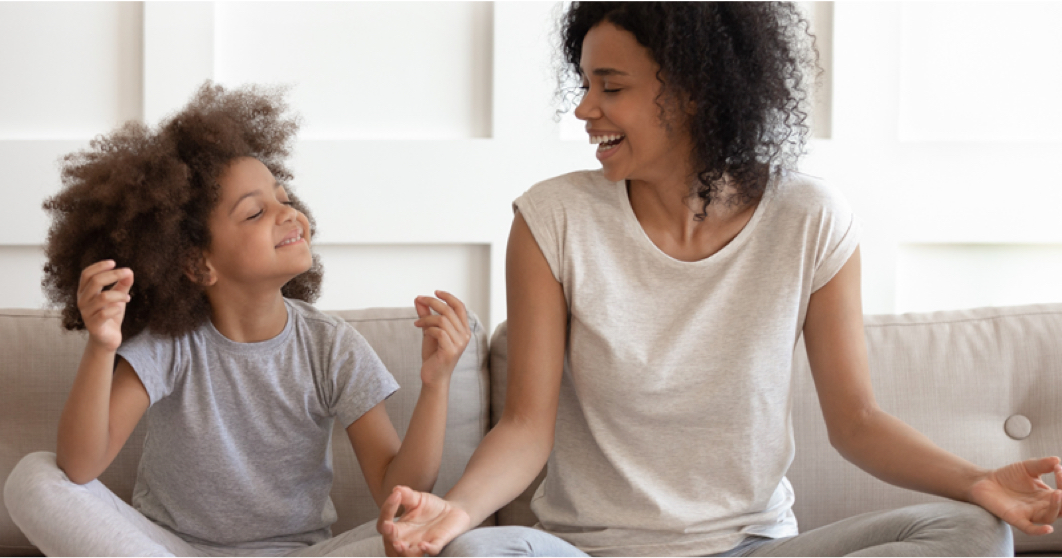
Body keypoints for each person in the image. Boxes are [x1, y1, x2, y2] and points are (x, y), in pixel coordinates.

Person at [376, 3, 1062, 556]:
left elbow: (857, 422)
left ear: (697, 91)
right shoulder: (553, 218)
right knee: (477, 554)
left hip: (753, 546)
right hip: (583, 552)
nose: (585, 110)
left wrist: (977, 483)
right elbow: (527, 425)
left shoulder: (810, 220)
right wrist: (456, 512)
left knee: (972, 532)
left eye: (610, 87)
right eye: (584, 85)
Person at [3, 83, 473, 557]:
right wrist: (102, 345)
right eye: (255, 212)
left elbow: (398, 494)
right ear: (197, 263)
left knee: (424, 532)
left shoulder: (332, 346)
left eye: (284, 198)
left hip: (301, 553)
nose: (288, 213)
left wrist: (436, 384)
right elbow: (80, 467)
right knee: (34, 477)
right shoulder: (171, 345)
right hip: (172, 550)